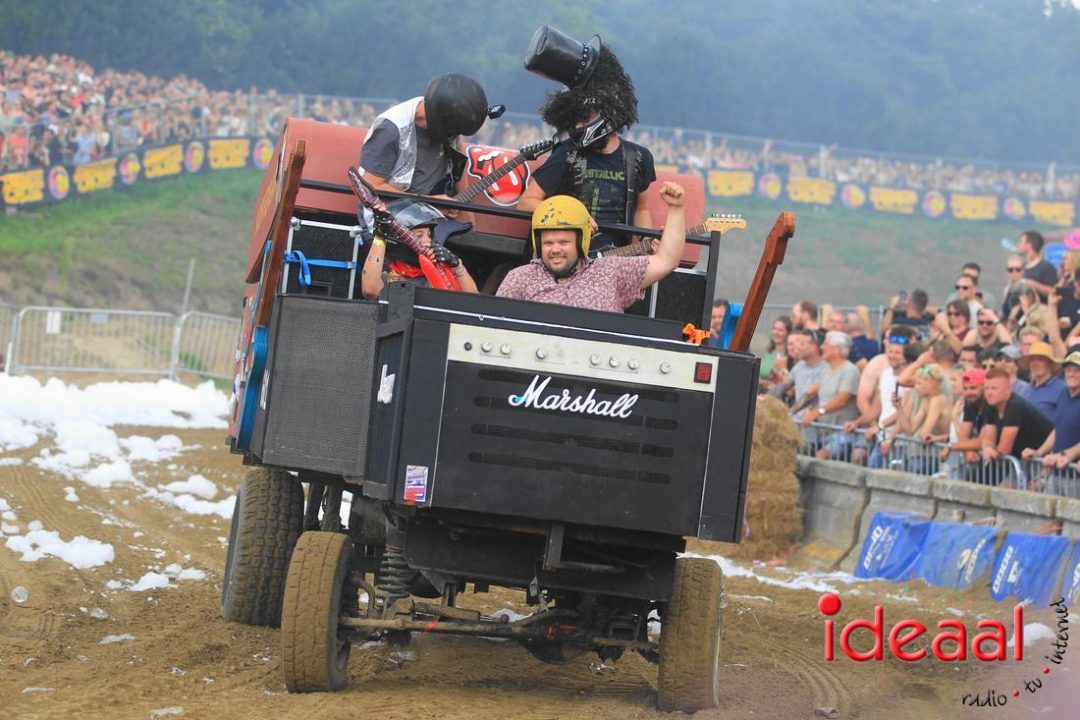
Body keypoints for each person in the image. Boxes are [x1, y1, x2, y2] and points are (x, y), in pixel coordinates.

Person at [519, 26, 656, 250]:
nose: (577, 126)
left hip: (615, 260)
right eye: (574, 119)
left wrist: (646, 242)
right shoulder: (567, 153)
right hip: (569, 257)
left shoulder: (639, 158)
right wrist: (569, 217)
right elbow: (526, 203)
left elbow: (642, 209)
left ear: (606, 110)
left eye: (583, 118)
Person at [496, 183, 685, 312]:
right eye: (548, 243)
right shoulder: (520, 278)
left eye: (563, 242)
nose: (555, 249)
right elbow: (496, 323)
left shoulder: (611, 271)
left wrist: (676, 209)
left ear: (581, 241)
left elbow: (667, 260)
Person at [358, 73, 498, 199]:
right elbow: (370, 186)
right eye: (453, 133)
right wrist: (431, 202)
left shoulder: (447, 116)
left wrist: (465, 212)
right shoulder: (391, 129)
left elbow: (458, 172)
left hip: (436, 211)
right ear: (441, 122)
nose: (454, 137)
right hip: (391, 213)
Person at [360, 200, 478, 299]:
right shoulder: (389, 275)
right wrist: (380, 236)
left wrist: (457, 265)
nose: (428, 241)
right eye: (419, 235)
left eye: (429, 235)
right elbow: (370, 290)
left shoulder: (442, 268)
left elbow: (474, 302)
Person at [1022, 351, 1080, 493]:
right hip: (1057, 471)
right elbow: (1058, 429)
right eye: (1069, 370)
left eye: (1077, 370)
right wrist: (1039, 452)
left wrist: (1066, 455)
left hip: (1075, 474)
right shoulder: (1063, 394)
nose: (1072, 374)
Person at [805, 331, 861, 460]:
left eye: (825, 344)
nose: (821, 347)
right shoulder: (827, 370)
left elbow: (842, 400)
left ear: (836, 349)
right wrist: (812, 411)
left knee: (821, 457)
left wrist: (817, 412)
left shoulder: (849, 370)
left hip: (842, 432)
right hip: (823, 431)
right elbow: (825, 399)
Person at [979, 368, 1053, 462]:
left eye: (994, 388)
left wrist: (992, 452)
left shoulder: (1015, 406)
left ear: (1008, 390)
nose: (989, 393)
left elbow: (1005, 449)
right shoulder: (991, 405)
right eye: (986, 388)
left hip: (1043, 458)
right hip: (1023, 458)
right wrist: (987, 448)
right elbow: (989, 440)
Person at [1015, 341, 1064, 420]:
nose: (1035, 364)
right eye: (1032, 360)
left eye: (1040, 360)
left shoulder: (1062, 389)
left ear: (1049, 363)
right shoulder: (1026, 390)